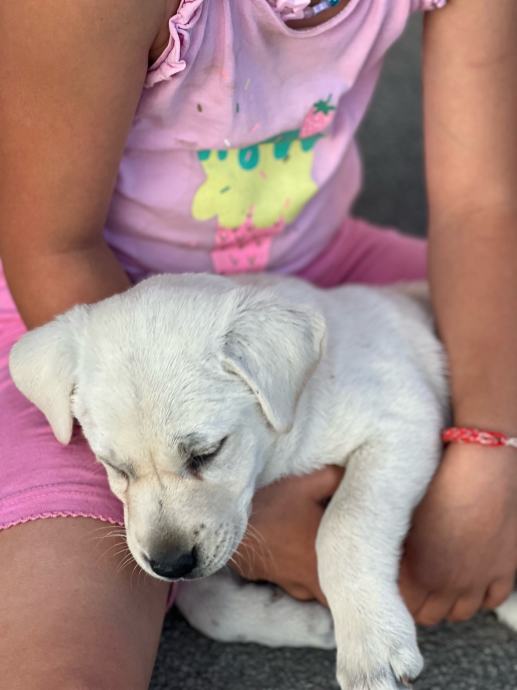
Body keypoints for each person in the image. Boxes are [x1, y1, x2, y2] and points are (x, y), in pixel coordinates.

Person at [1, 1, 516, 688]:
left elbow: (480, 207)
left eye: (203, 455)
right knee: (62, 667)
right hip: (81, 316)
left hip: (313, 269)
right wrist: (260, 512)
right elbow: (52, 247)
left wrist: (489, 455)